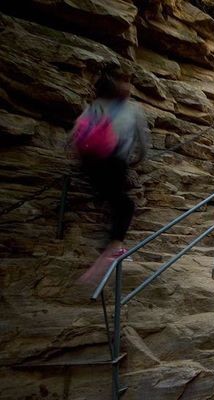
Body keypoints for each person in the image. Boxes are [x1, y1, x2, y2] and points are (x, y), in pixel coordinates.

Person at [75, 70, 149, 284]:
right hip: (115, 161)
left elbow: (76, 135)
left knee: (110, 197)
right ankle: (115, 246)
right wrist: (136, 161)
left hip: (89, 163)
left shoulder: (93, 107)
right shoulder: (132, 109)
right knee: (124, 205)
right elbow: (143, 143)